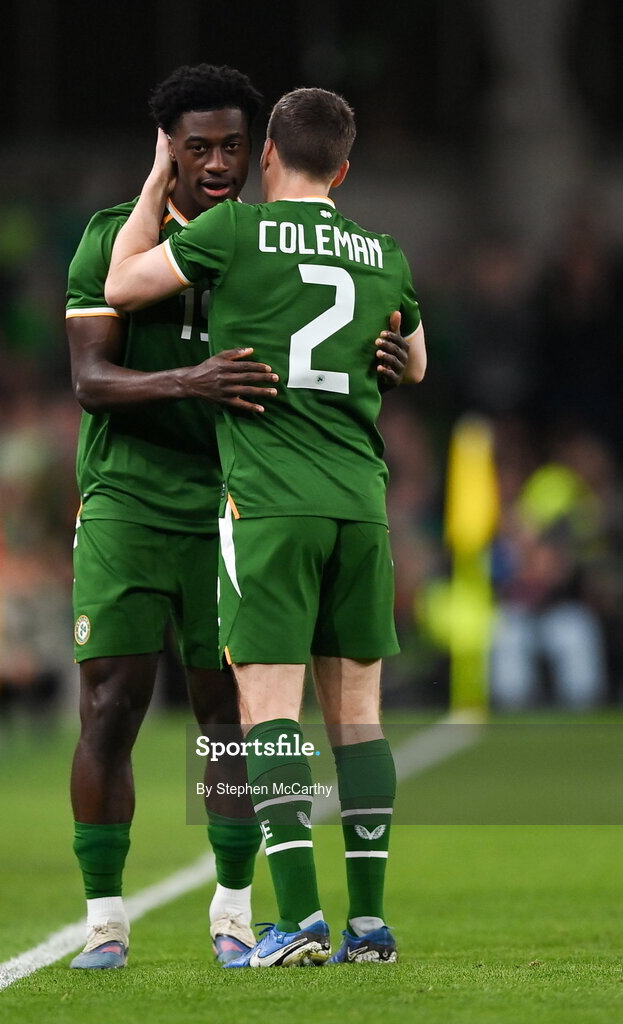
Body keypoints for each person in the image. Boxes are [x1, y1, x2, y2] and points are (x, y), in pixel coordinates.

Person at [106, 86, 427, 968]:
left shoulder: (238, 231)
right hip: (360, 504)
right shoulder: (382, 250)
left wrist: (155, 182)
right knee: (358, 720)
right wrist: (386, 358)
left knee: (268, 713)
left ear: (270, 157)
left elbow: (122, 282)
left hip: (270, 504)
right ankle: (369, 925)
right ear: (346, 169)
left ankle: (295, 921)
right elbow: (416, 360)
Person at [66, 64, 273, 971]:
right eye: (199, 147)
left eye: (232, 145)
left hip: (228, 502)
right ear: (168, 150)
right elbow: (89, 381)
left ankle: (232, 913)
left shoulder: (267, 249)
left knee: (224, 714)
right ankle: (104, 925)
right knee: (112, 708)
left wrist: (379, 355)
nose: (218, 163)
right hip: (125, 500)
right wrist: (189, 379)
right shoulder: (111, 239)